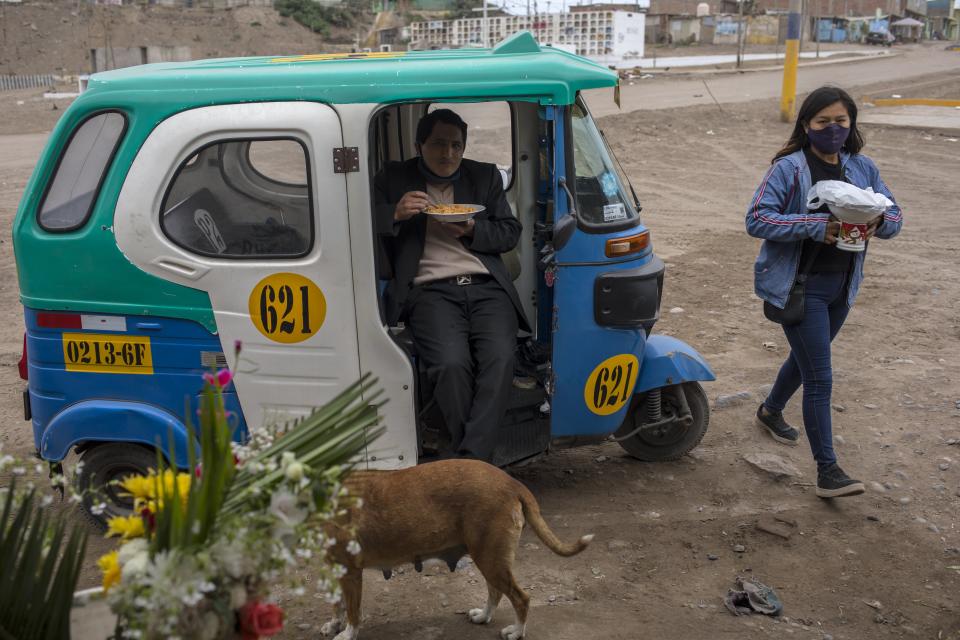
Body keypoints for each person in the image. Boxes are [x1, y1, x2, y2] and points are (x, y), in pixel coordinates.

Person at [745, 86, 902, 498]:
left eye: (841, 122)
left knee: (805, 361)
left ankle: (770, 410)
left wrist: (877, 224)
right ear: (806, 125)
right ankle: (827, 471)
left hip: (843, 287)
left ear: (851, 125)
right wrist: (816, 226)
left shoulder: (862, 168)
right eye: (823, 122)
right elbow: (757, 219)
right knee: (820, 378)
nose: (833, 129)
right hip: (800, 287)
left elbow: (895, 214)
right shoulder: (789, 169)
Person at [374, 109, 529, 462]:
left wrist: (475, 230)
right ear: (419, 145)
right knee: (449, 364)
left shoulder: (484, 176)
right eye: (439, 144)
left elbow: (509, 232)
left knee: (501, 360)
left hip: (487, 287)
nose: (449, 154)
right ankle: (478, 464)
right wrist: (394, 214)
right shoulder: (394, 178)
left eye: (456, 146)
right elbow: (357, 219)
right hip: (430, 290)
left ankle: (470, 462)